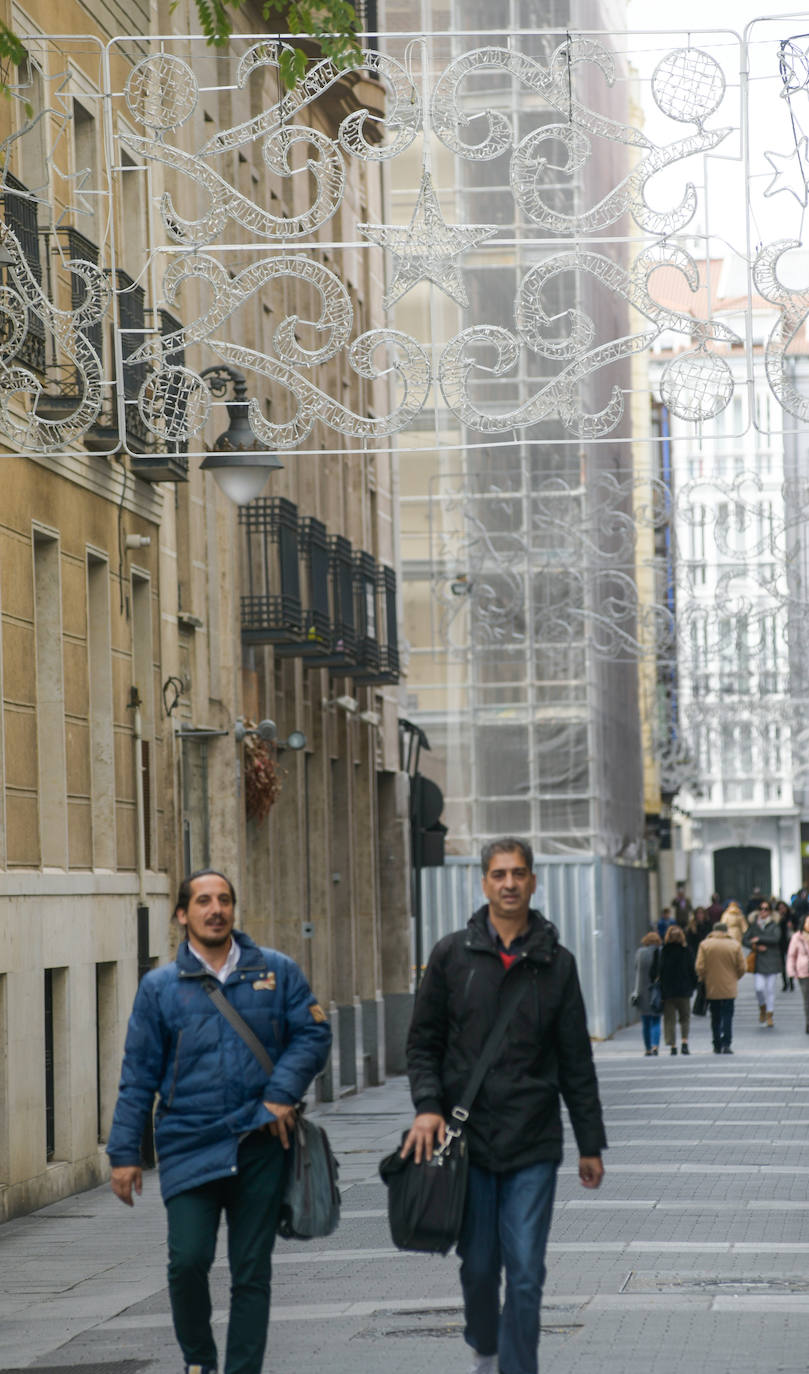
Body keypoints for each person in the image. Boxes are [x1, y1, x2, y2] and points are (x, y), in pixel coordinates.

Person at [106, 869, 332, 1374]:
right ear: (183, 914)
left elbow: (314, 1035)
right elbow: (138, 1073)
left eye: (224, 900)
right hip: (188, 1143)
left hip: (260, 1142)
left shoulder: (276, 971)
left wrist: (281, 1095)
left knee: (252, 1272)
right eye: (203, 901)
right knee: (187, 1262)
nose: (216, 909)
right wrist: (123, 1154)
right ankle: (200, 1364)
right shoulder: (160, 988)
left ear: (233, 909)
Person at [403, 838, 606, 1374]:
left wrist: (590, 1144)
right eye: (499, 874)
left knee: (525, 1271)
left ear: (534, 883)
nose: (509, 883)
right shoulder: (451, 956)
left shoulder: (556, 964)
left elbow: (575, 1060)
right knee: (479, 1267)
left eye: (519, 874)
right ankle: (486, 1348)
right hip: (465, 1144)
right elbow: (422, 1043)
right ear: (484, 882)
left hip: (532, 1141)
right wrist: (428, 1106)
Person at [695, 920, 746, 1053]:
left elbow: (699, 967)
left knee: (715, 1016)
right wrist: (735, 977)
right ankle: (726, 1043)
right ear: (726, 931)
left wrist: (705, 978)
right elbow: (742, 967)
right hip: (729, 986)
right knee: (728, 1015)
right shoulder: (734, 945)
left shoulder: (705, 945)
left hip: (712, 986)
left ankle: (716, 1043)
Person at [743, 900, 782, 1027]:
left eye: (766, 909)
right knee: (759, 988)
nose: (763, 911)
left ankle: (770, 1015)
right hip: (759, 961)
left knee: (770, 989)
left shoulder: (774, 924)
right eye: (761, 908)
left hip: (772, 960)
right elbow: (744, 939)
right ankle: (762, 1007)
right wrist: (754, 946)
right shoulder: (754, 925)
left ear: (770, 911)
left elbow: (776, 938)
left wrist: (759, 939)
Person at [659, 924, 697, 1055]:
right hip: (684, 990)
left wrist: (662, 989)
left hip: (668, 991)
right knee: (685, 1018)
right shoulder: (686, 951)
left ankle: (673, 1045)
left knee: (669, 1019)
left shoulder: (664, 951)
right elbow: (692, 970)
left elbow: (660, 971)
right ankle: (685, 1042)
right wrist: (693, 986)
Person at [632, 931, 663, 1056]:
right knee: (656, 1020)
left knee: (645, 1022)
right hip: (656, 990)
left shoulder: (640, 953)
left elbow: (635, 967)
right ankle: (656, 1046)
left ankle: (647, 1048)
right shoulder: (660, 952)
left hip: (642, 990)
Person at [786, 914, 809, 1034]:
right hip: (803, 973)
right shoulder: (797, 937)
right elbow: (791, 955)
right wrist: (791, 971)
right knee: (807, 999)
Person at [775, 899, 795, 990]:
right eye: (779, 908)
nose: (781, 910)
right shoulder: (776, 918)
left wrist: (792, 926)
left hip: (790, 942)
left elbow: (797, 925)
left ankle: (791, 981)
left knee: (790, 962)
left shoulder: (790, 916)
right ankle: (785, 983)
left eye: (783, 908)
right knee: (782, 964)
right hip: (780, 943)